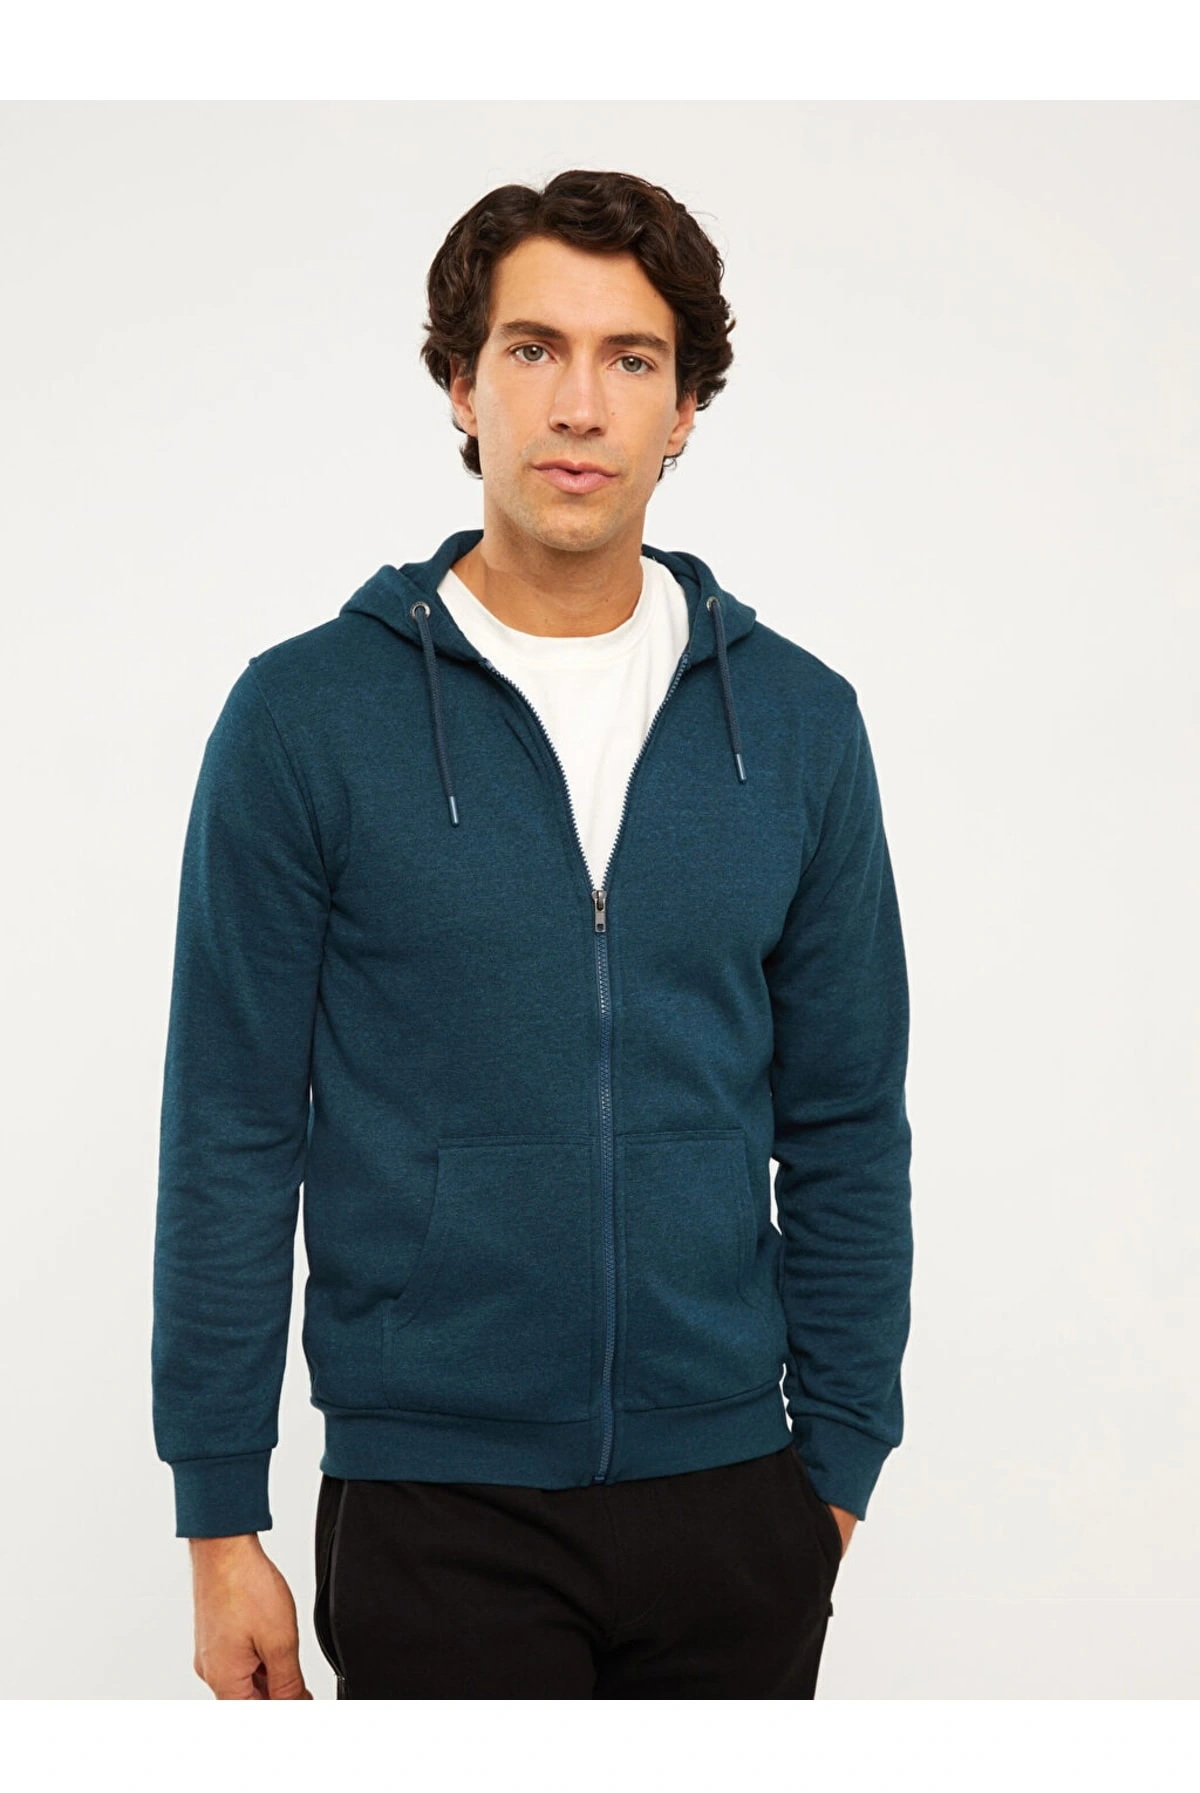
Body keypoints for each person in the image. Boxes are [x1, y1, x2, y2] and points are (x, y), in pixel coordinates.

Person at [152, 167, 913, 1700]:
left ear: (684, 410)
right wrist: (220, 1517)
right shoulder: (306, 719)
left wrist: (834, 1465)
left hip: (735, 1501)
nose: (579, 405)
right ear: (461, 384)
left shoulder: (798, 724)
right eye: (533, 349)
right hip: (435, 1504)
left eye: (631, 360)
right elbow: (231, 1127)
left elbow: (844, 1121)